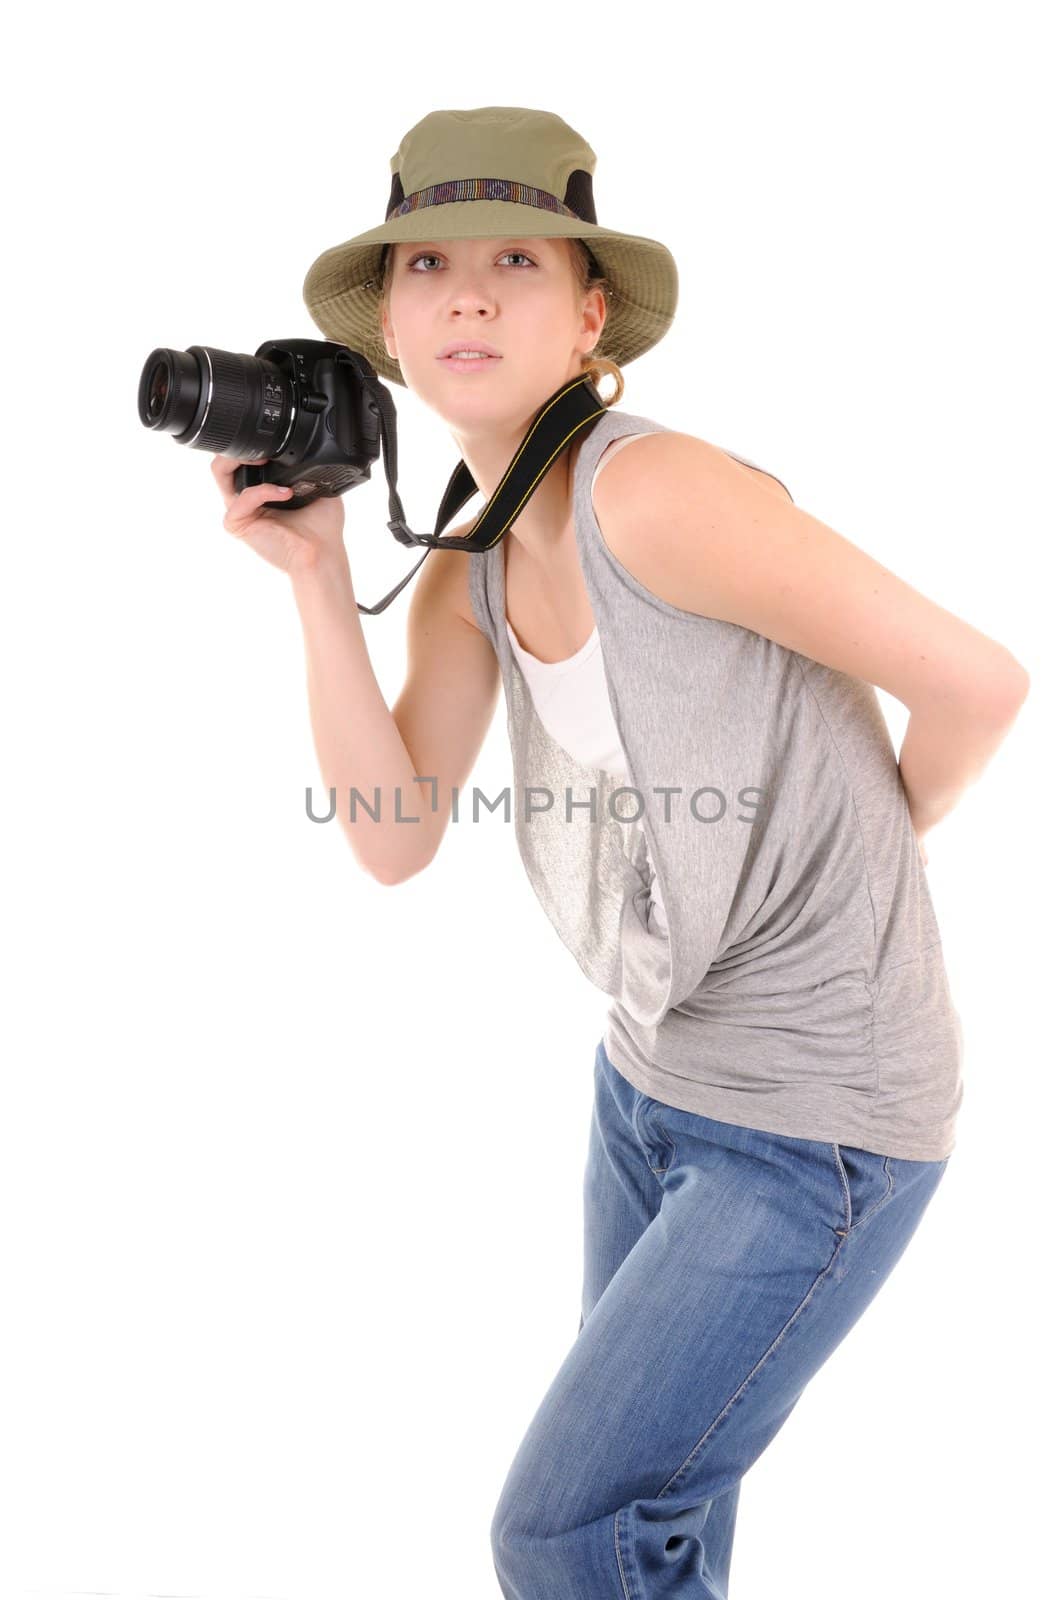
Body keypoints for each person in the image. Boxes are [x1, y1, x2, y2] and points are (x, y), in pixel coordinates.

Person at [211, 107, 1030, 1599]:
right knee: (653, 1525)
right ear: (387, 327)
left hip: (818, 1122)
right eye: (429, 265)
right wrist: (320, 584)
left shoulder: (652, 495)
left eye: (517, 259)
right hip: (647, 1086)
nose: (467, 293)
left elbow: (981, 682)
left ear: (590, 316)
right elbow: (391, 839)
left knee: (565, 1532)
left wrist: (871, 854)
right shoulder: (469, 546)